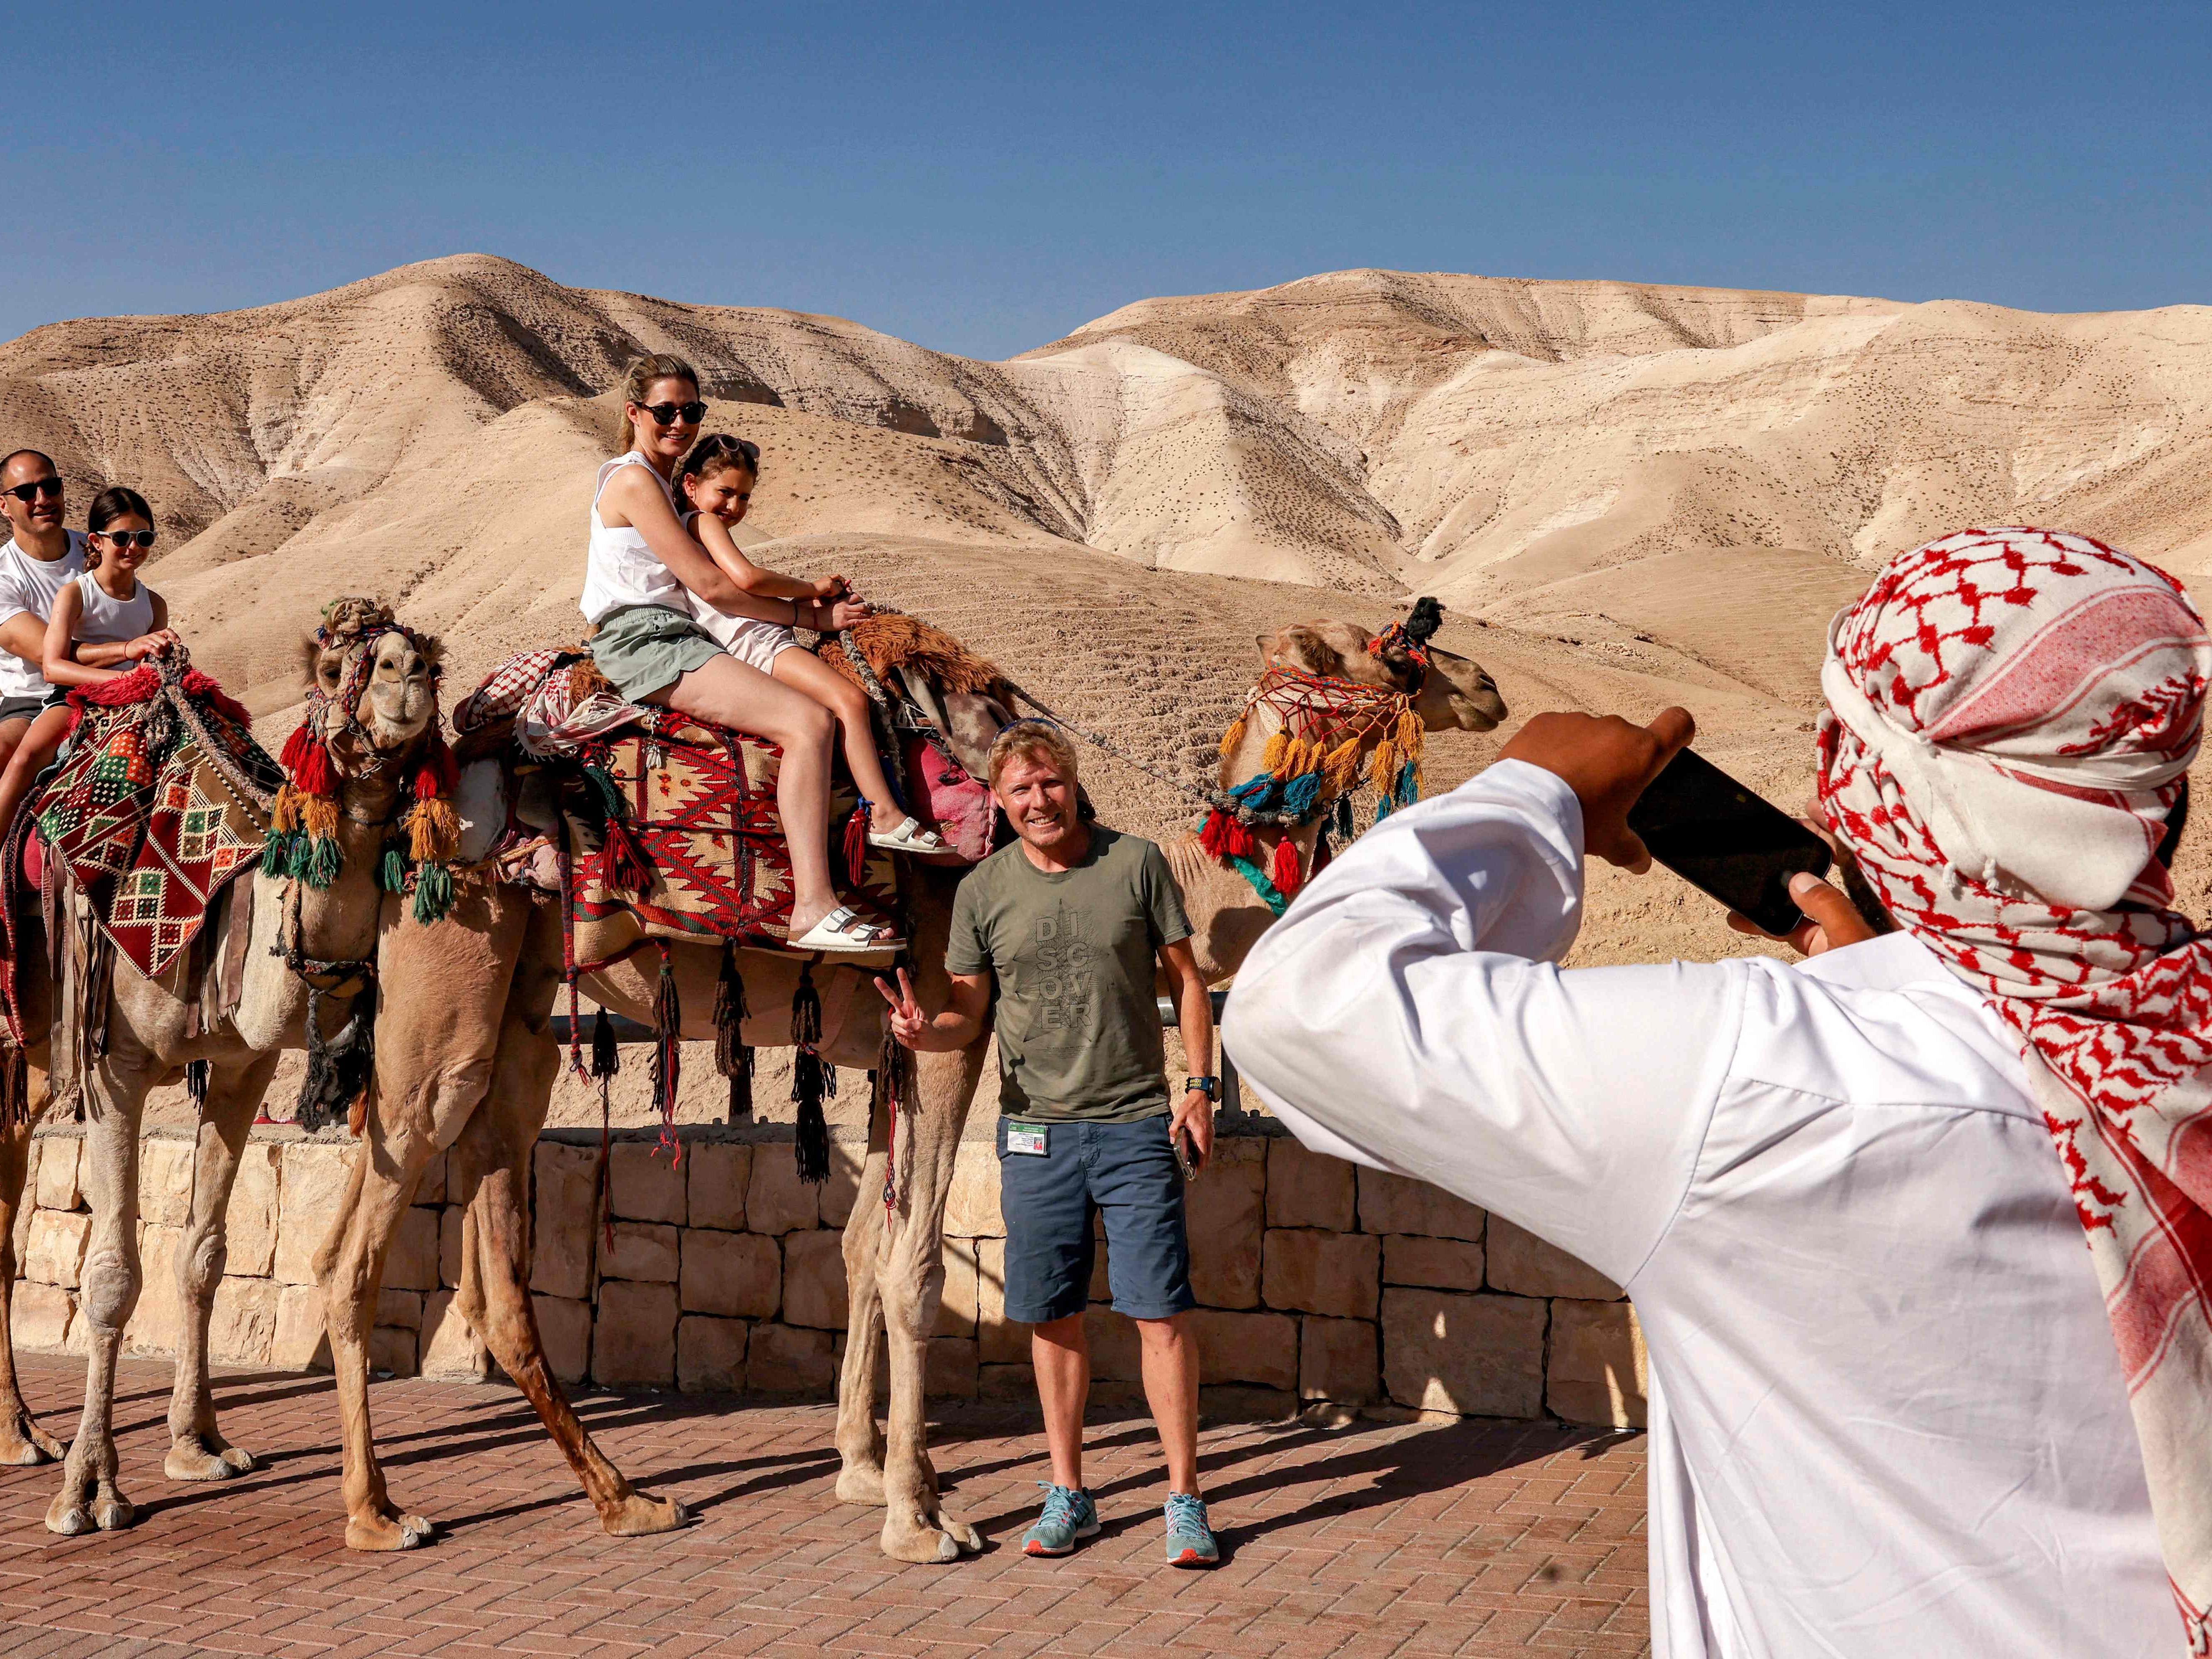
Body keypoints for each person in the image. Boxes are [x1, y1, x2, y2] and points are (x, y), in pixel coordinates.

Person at [1224, 527, 2212, 1657]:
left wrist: (1531, 792)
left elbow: (1299, 1008)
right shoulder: (2161, 1039)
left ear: (1867, 786)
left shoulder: (1754, 1086)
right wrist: (1870, 985)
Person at [877, 721, 1223, 1568]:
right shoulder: (982, 889)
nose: (1038, 800)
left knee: (1160, 1315)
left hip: (1137, 1122)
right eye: (1019, 790)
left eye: (1050, 783)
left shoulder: (1133, 861)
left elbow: (1186, 977)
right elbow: (966, 1011)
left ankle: (1184, 1499)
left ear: (1071, 783)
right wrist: (925, 1036)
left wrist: (1200, 1085)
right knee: (1051, 1314)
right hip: (1034, 1134)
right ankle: (1069, 1491)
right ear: (998, 800)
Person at [582, 355, 892, 954]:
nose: (679, 423)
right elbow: (718, 588)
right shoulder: (631, 480)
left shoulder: (667, 492)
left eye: (691, 412)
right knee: (809, 723)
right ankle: (813, 908)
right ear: (634, 413)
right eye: (665, 411)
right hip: (646, 641)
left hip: (676, 636)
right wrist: (810, 616)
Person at [671, 433, 948, 854]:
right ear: (691, 484)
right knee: (850, 701)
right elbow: (747, 580)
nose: (734, 507)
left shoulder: (691, 529)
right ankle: (884, 815)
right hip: (755, 643)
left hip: (756, 638)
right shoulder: (701, 522)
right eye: (725, 492)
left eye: (744, 497)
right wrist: (810, 588)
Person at [0, 486, 177, 853]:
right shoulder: (76, 594)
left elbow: (150, 666)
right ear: (97, 541)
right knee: (25, 757)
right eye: (122, 538)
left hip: (134, 701)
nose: (133, 547)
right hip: (76, 695)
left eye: (144, 537)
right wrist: (123, 680)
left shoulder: (154, 604)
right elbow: (53, 667)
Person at [0, 450, 86, 768]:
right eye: (25, 492)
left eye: (51, 487)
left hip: (112, 683)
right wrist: (127, 650)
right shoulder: (4, 576)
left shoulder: (98, 551)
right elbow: (49, 654)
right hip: (32, 702)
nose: (42, 499)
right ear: (3, 506)